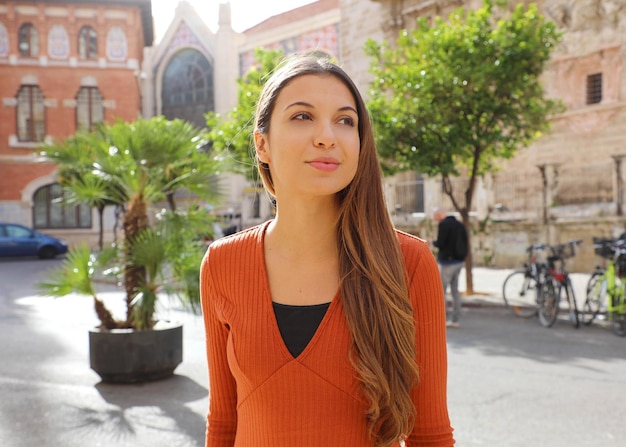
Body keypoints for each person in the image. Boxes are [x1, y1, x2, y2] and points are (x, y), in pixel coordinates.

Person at [200, 53, 455, 447]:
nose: (327, 136)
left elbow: (430, 436)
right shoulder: (222, 262)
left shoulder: (408, 263)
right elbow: (222, 426)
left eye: (345, 120)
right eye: (303, 116)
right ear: (262, 145)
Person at [432, 209, 468, 328]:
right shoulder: (460, 224)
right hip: (459, 261)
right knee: (455, 291)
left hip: (448, 262)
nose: (435, 219)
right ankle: (455, 319)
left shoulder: (444, 225)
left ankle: (443, 318)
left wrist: (434, 243)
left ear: (440, 215)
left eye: (436, 216)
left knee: (441, 291)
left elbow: (441, 243)